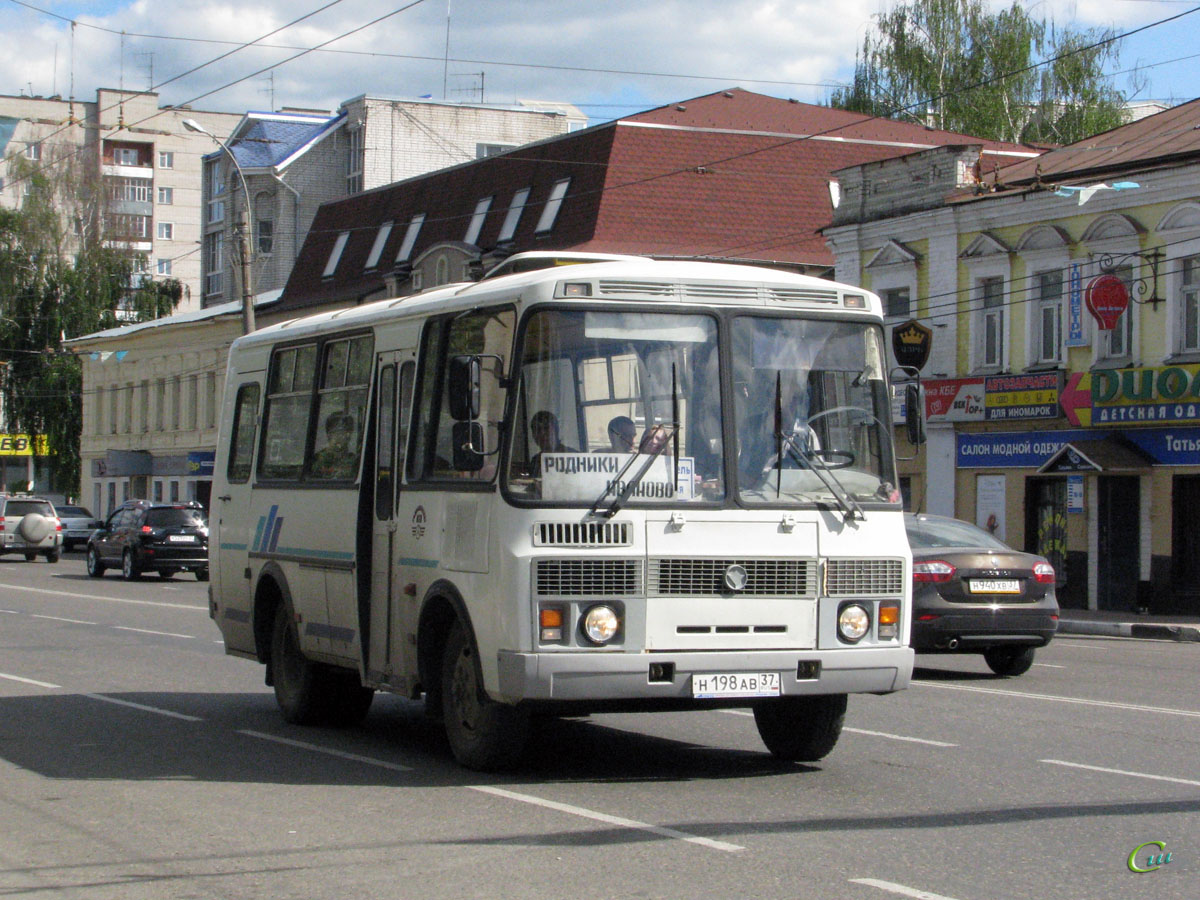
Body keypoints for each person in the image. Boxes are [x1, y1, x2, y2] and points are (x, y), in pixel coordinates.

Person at [529, 410, 576, 475]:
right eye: (538, 429)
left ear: (556, 431)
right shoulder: (535, 461)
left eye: (546, 428)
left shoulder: (573, 456)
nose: (542, 433)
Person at [312, 411, 357, 478]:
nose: (348, 435)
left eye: (350, 431)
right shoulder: (318, 460)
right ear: (330, 434)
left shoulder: (354, 460)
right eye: (343, 431)